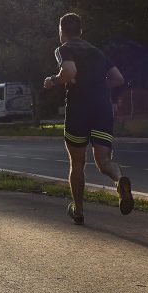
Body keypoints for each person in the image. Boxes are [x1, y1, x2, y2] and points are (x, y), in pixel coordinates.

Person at [44, 13, 133, 224]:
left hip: (79, 109)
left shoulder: (64, 48)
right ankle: (120, 181)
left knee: (77, 162)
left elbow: (68, 71)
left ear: (61, 31)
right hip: (102, 108)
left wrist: (53, 81)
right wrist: (98, 86)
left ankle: (78, 210)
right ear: (81, 31)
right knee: (104, 162)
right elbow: (118, 78)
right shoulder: (98, 52)